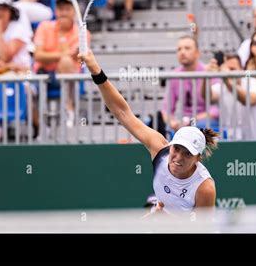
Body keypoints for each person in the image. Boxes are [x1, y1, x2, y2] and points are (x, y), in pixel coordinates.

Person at [79, 49, 217, 214]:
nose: (178, 157)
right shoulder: (160, 149)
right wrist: (95, 70)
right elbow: (122, 112)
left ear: (198, 158)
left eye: (187, 153)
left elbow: (202, 229)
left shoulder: (204, 187)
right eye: (177, 148)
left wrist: (169, 223)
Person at [34, 0, 91, 126]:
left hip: (71, 76)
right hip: (43, 75)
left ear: (74, 12)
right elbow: (37, 56)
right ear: (56, 11)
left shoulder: (83, 33)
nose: (63, 13)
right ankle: (39, 128)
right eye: (60, 9)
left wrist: (52, 56)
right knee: (26, 88)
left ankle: (68, 108)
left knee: (65, 62)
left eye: (67, 9)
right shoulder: (44, 26)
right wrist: (63, 54)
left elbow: (75, 55)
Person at [202, 54, 256, 140]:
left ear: (241, 70)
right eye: (226, 69)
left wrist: (227, 79)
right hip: (234, 141)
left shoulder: (254, 83)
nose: (228, 73)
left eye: (232, 69)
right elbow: (207, 97)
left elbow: (249, 100)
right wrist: (206, 77)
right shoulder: (221, 86)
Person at [161, 35, 219, 132]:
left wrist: (192, 120)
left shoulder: (209, 72)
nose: (182, 52)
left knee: (198, 127)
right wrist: (172, 123)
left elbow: (216, 111)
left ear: (197, 53)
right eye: (179, 49)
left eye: (187, 48)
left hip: (207, 124)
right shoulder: (174, 76)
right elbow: (166, 109)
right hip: (184, 124)